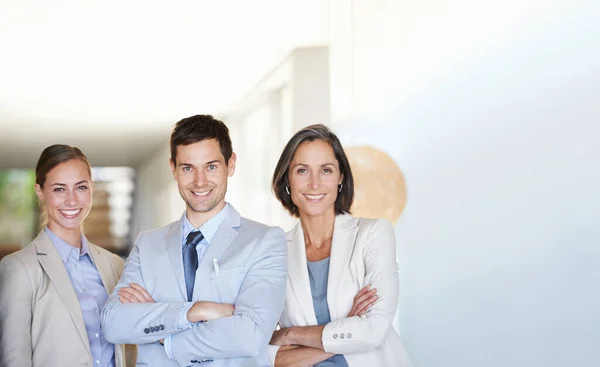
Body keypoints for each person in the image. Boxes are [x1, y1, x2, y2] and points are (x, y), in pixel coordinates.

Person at [101, 115, 288, 367]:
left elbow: (251, 336)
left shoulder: (265, 241)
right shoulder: (147, 245)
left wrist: (161, 335)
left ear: (230, 164)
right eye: (188, 168)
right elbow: (113, 324)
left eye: (211, 166)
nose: (200, 181)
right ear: (173, 169)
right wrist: (193, 311)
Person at [267, 124, 413, 366]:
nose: (315, 184)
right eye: (302, 170)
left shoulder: (373, 234)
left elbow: (373, 331)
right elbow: (261, 349)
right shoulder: (273, 251)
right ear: (287, 179)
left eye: (326, 170)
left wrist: (290, 334)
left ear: (341, 177)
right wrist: (348, 323)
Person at [0, 144, 129, 367]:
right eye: (59, 189)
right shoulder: (19, 268)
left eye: (80, 187)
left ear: (91, 187)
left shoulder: (114, 264)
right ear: (40, 191)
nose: (71, 200)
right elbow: (15, 358)